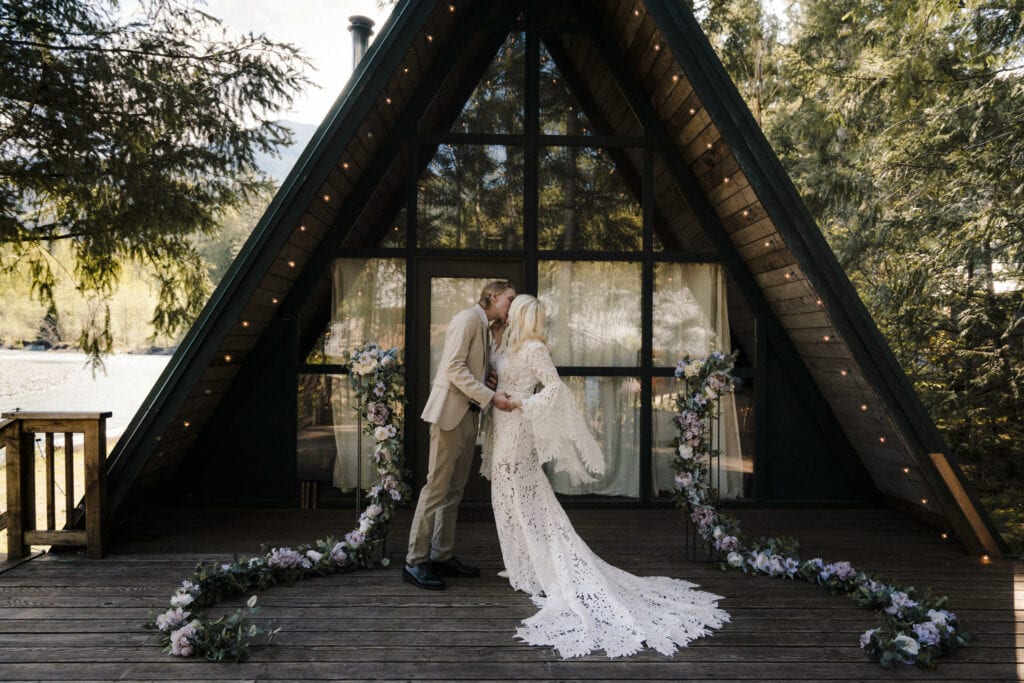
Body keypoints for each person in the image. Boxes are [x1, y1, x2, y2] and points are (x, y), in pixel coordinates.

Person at [483, 294, 729, 658]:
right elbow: (498, 374)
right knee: (505, 495)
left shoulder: (534, 348)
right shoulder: (507, 346)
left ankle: (542, 567)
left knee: (524, 495)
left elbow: (554, 389)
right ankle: (523, 567)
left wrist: (523, 402)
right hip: (501, 428)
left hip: (519, 429)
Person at [403, 280, 517, 590]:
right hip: (449, 417)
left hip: (469, 417)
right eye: (509, 299)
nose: (512, 305)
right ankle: (415, 560)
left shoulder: (484, 325)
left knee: (454, 492)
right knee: (436, 490)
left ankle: (441, 555)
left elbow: (469, 369)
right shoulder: (467, 318)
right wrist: (491, 396)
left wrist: (487, 380)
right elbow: (453, 368)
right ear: (492, 296)